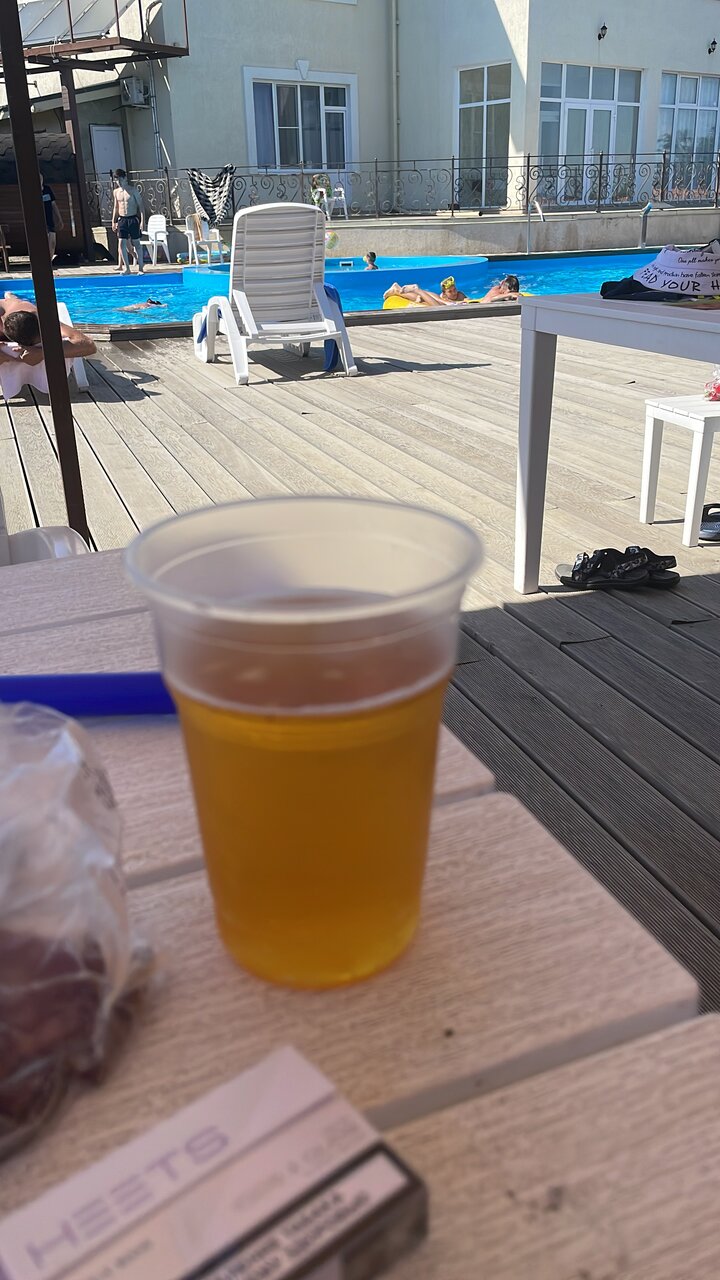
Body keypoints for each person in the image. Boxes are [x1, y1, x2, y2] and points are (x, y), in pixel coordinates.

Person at [111, 169, 144, 274]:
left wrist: (142, 222)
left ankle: (140, 268)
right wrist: (113, 221)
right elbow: (116, 207)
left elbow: (141, 207)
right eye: (117, 180)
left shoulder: (133, 190)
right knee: (121, 243)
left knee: (136, 243)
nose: (119, 182)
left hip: (133, 219)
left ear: (125, 178)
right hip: (122, 220)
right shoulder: (116, 192)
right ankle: (127, 268)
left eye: (120, 179)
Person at [384, 275, 468, 307]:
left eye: (454, 289)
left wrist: (464, 301)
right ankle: (414, 290)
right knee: (439, 306)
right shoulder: (443, 298)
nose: (454, 292)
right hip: (441, 303)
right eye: (450, 291)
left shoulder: (460, 294)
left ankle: (397, 289)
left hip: (438, 301)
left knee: (420, 298)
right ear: (444, 294)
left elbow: (468, 300)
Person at [40, 172, 64, 260]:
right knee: (44, 242)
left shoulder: (47, 189)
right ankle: (44, 260)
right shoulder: (33, 191)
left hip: (50, 219)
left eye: (41, 178)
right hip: (40, 220)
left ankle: (49, 261)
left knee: (52, 242)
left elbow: (53, 204)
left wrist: (59, 218)